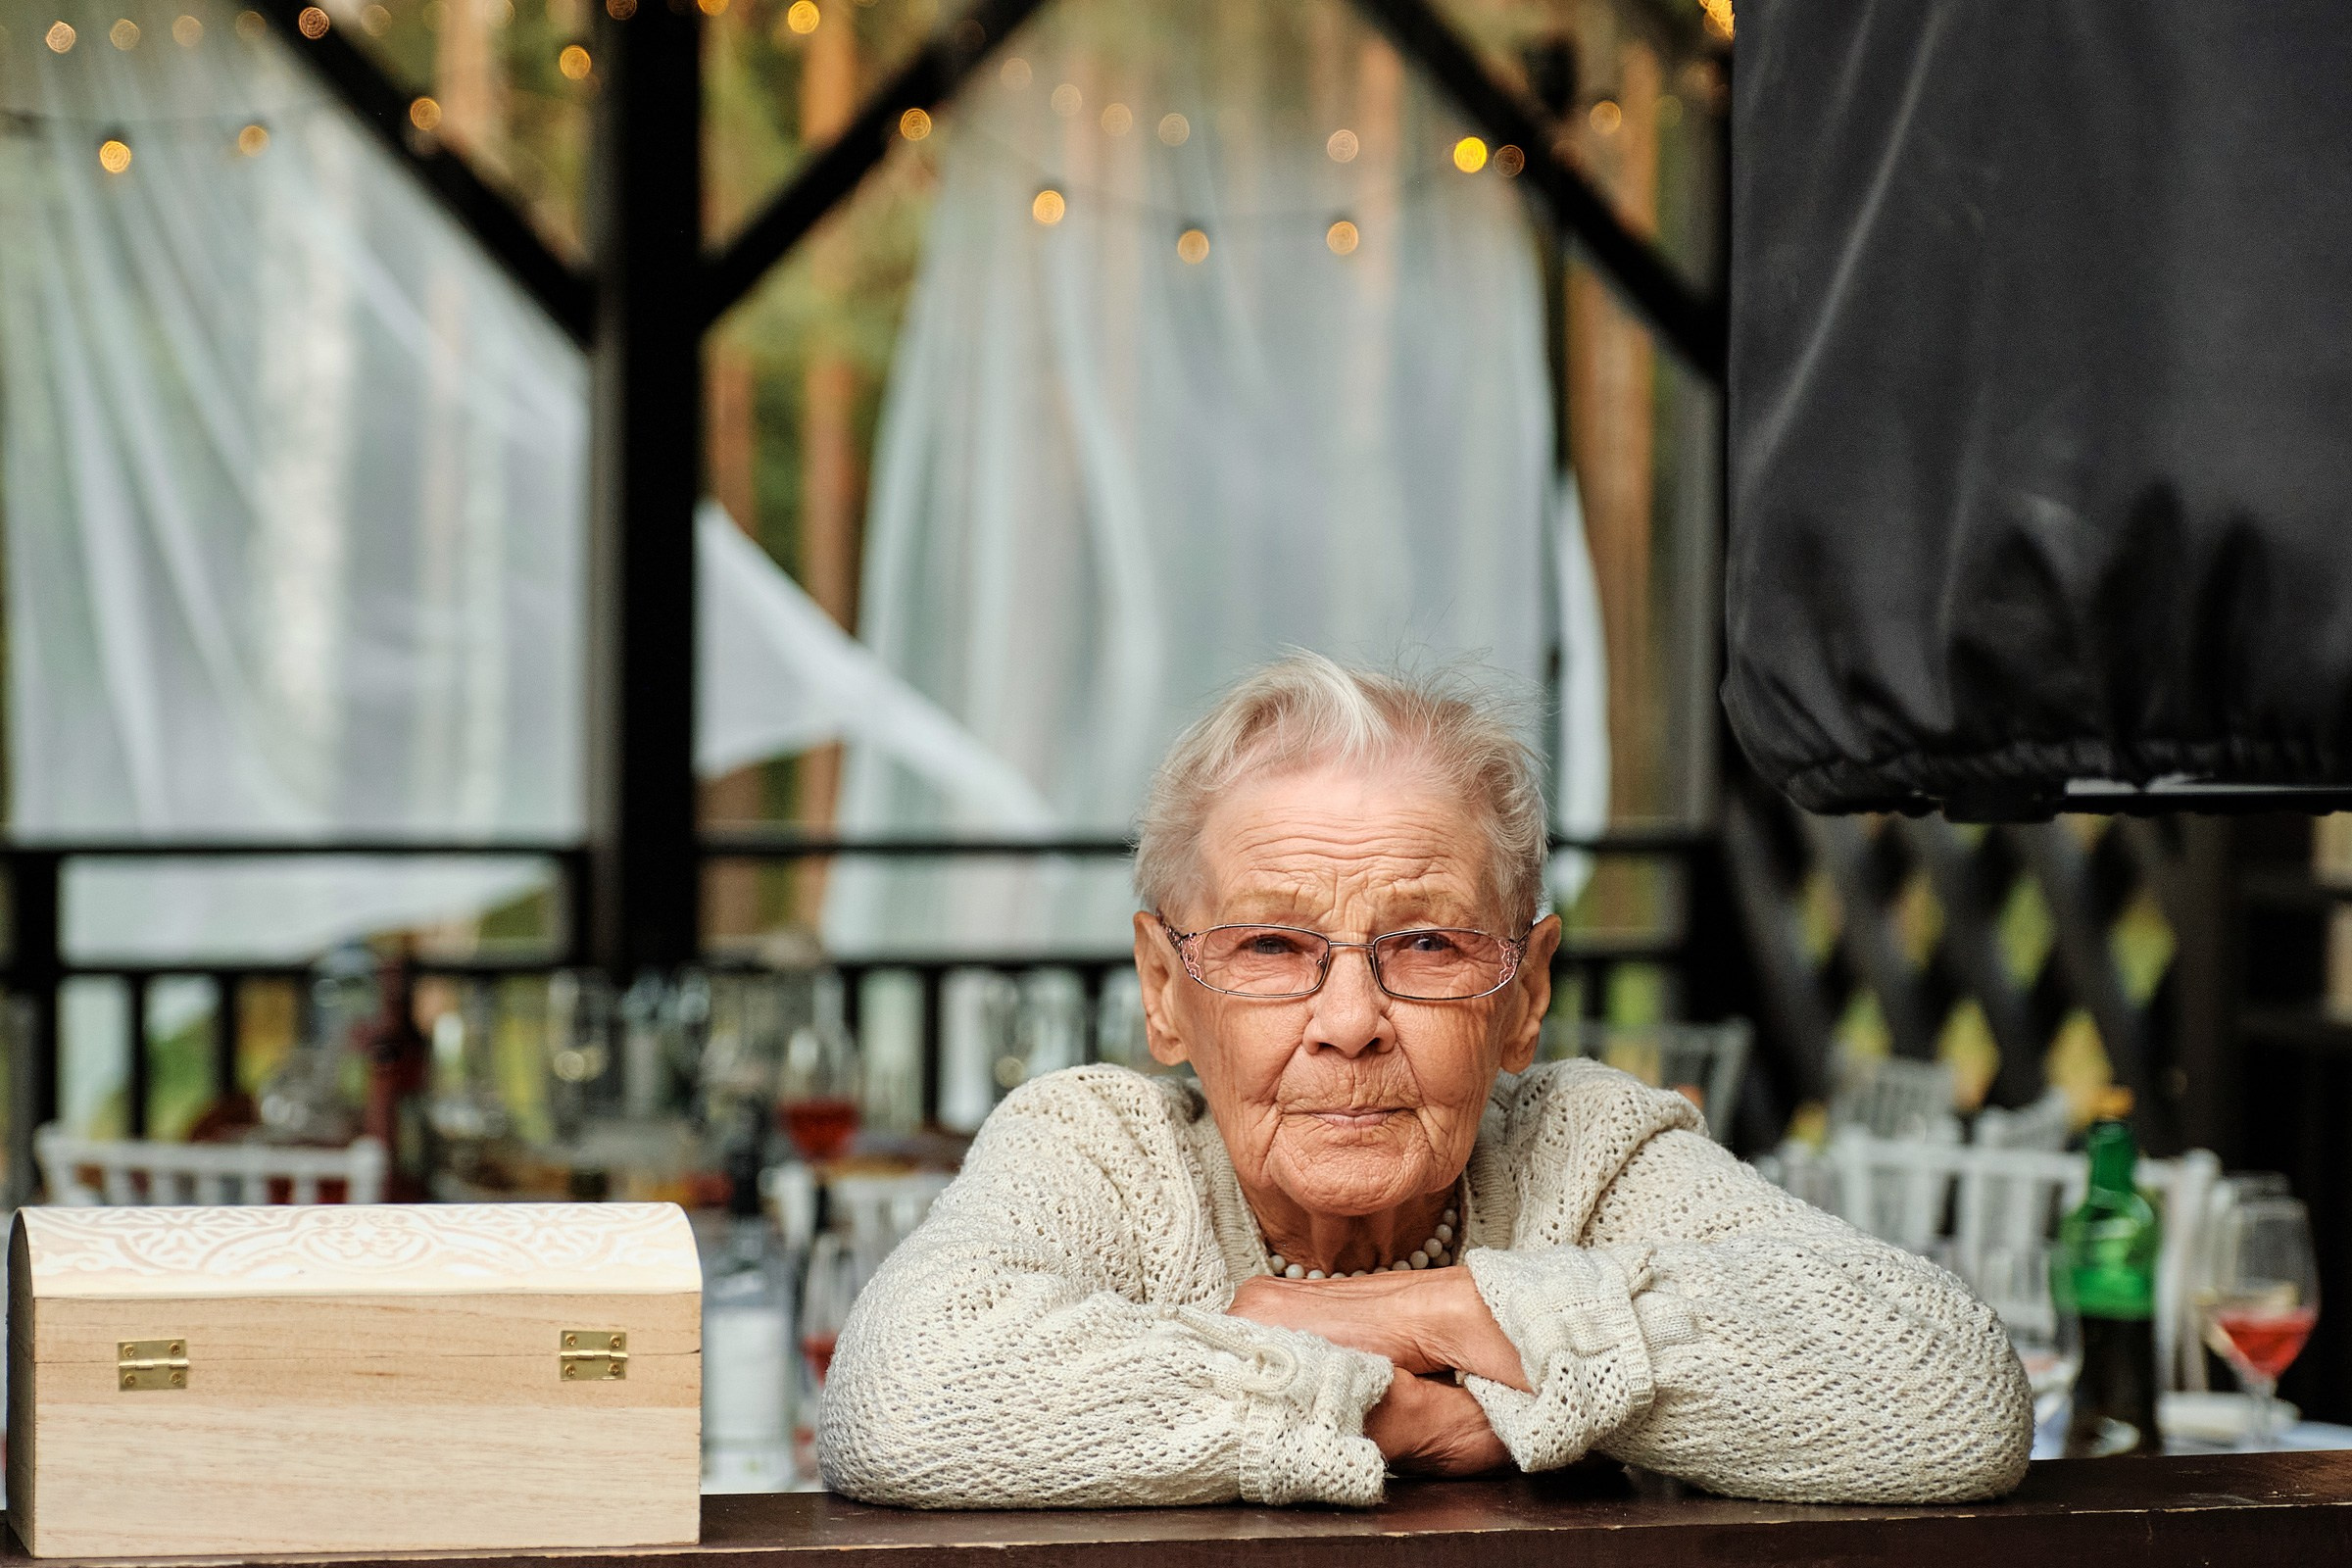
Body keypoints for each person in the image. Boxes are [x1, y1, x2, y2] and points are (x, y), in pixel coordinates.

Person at [818, 655, 2034, 1507]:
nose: (1350, 1021)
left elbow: (1948, 1391)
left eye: (1430, 945)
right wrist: (1406, 1405)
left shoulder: (1585, 1148)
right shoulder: (1100, 1150)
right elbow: (900, 1397)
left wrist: (1363, 1316)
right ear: (1164, 987)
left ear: (1528, 993)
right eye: (1272, 947)